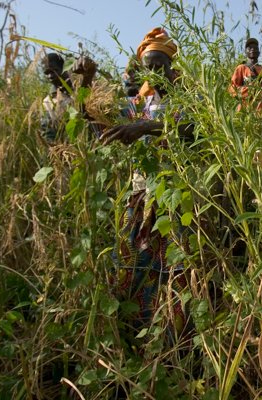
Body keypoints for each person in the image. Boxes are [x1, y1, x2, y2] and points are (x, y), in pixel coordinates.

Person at [100, 28, 193, 335]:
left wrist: (146, 128)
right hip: (141, 194)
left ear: (171, 68)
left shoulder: (186, 100)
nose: (154, 72)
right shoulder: (139, 103)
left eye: (159, 65)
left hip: (175, 196)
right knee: (134, 261)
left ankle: (175, 336)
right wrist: (86, 88)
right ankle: (134, 331)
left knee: (176, 265)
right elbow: (106, 122)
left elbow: (190, 131)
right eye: (148, 67)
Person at [40, 52, 99, 141]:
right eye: (47, 73)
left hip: (96, 140)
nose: (50, 76)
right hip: (75, 148)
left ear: (63, 68)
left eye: (54, 71)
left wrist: (88, 75)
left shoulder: (81, 85)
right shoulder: (48, 102)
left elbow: (89, 108)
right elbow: (49, 133)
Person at [229, 37, 262, 111]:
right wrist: (250, 89)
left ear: (259, 52)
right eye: (250, 48)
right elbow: (232, 89)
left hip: (261, 112)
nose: (252, 49)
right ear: (245, 51)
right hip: (245, 110)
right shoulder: (241, 68)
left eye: (255, 48)